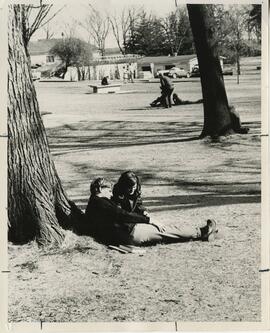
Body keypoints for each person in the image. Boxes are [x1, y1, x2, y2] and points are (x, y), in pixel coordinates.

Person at [85, 177, 218, 246]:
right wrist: (149, 220)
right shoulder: (101, 202)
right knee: (167, 230)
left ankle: (198, 232)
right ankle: (202, 232)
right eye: (108, 190)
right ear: (100, 189)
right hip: (129, 234)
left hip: (121, 235)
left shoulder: (92, 203)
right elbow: (122, 215)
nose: (110, 193)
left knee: (166, 230)